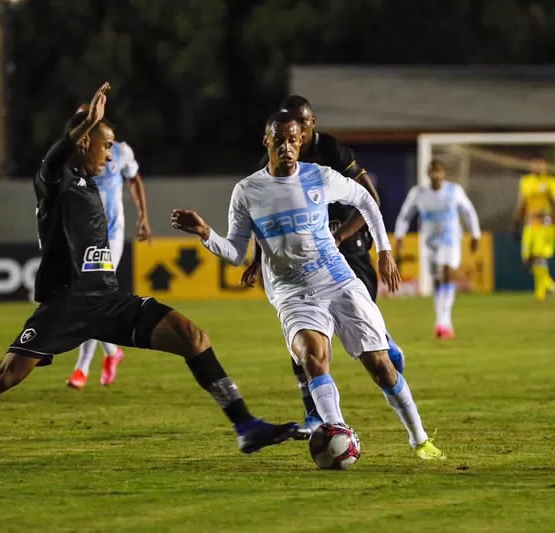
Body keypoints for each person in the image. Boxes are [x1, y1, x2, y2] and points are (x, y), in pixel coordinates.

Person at [0, 83, 299, 471]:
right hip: (66, 305)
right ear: (83, 142)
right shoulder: (55, 180)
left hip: (108, 299)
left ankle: (245, 426)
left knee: (193, 336)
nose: (110, 155)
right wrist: (88, 122)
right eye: (105, 145)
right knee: (1, 377)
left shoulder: (92, 182)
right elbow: (55, 158)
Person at [173, 112, 445, 460]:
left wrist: (385, 250)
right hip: (292, 293)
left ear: (301, 141)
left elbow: (365, 200)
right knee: (312, 358)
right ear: (266, 141)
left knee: (380, 366)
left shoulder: (320, 176)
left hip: (337, 279)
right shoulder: (247, 191)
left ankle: (420, 439)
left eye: (293, 140)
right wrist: (205, 234)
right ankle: (338, 432)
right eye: (279, 140)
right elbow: (236, 252)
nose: (287, 147)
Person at [241, 96, 405, 437]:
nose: (299, 131)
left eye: (305, 122)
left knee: (361, 318)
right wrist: (256, 258)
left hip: (350, 247)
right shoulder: (274, 157)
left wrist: (343, 237)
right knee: (304, 339)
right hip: (303, 256)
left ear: (311, 122)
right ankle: (316, 413)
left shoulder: (332, 151)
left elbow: (368, 199)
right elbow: (263, 218)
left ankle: (384, 344)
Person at [67, 105, 152, 390]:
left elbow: (135, 179)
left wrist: (143, 217)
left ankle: (81, 369)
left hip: (111, 236)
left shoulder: (118, 150)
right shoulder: (70, 155)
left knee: (92, 296)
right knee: (90, 299)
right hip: (82, 236)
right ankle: (113, 352)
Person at [395, 160, 481, 338]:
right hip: (429, 242)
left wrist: (475, 234)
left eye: (438, 171)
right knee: (436, 279)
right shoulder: (418, 193)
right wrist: (399, 236)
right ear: (428, 174)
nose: (435, 175)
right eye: (432, 172)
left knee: (446, 272)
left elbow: (468, 211)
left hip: (450, 240)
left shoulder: (453, 191)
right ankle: (441, 321)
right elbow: (405, 215)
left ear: (444, 174)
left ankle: (444, 321)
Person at [512, 158, 555, 302]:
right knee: (527, 258)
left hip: (544, 224)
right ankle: (549, 285)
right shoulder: (526, 181)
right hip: (530, 224)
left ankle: (541, 293)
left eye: (540, 165)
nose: (538, 167)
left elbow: (553, 203)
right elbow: (522, 202)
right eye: (535, 165)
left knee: (538, 255)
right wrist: (516, 222)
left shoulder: (550, 182)